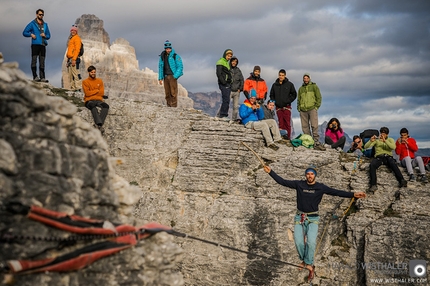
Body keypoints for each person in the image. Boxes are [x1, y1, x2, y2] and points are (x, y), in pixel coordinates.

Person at [264, 164, 366, 281]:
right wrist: (270, 172)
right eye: (308, 174)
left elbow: (336, 192)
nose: (310, 176)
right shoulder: (299, 184)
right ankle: (304, 260)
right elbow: (282, 181)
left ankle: (309, 264)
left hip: (313, 218)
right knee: (298, 242)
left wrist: (353, 194)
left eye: (312, 174)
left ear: (315, 175)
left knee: (311, 242)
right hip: (300, 217)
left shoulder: (320, 187)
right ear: (305, 175)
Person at [364, 127, 407, 193]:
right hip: (379, 157)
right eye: (382, 133)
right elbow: (366, 147)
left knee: (393, 164)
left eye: (384, 134)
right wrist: (370, 141)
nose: (382, 135)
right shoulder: (377, 140)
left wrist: (385, 141)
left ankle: (401, 180)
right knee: (372, 165)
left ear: (387, 134)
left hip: (388, 156)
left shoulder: (390, 139)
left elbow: (393, 147)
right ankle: (373, 185)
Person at [297, 73, 325, 151]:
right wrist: (299, 108)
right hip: (303, 110)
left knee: (314, 125)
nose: (305, 79)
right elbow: (298, 99)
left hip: (312, 109)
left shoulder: (314, 87)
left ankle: (316, 142)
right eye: (304, 78)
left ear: (309, 79)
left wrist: (316, 107)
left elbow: (319, 97)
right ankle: (309, 142)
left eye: (307, 78)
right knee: (305, 127)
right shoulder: (300, 89)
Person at [22, 9, 51, 82]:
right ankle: (35, 76)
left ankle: (42, 77)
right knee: (34, 60)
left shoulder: (45, 25)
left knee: (42, 61)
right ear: (36, 15)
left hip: (43, 44)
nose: (41, 16)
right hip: (35, 44)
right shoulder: (32, 24)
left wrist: (45, 36)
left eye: (42, 15)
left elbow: (49, 35)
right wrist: (31, 34)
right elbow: (24, 32)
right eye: (40, 14)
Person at [269, 69, 297, 140]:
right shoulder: (274, 85)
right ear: (278, 75)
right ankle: (282, 137)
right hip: (278, 107)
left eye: (282, 75)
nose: (281, 77)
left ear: (285, 76)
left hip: (286, 107)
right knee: (280, 123)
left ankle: (288, 138)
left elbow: (294, 94)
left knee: (287, 123)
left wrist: (288, 101)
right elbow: (271, 95)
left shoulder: (289, 84)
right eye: (280, 75)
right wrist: (274, 102)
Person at [82, 66, 109, 133]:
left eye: (94, 72)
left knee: (106, 106)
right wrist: (96, 90)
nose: (93, 73)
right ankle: (99, 124)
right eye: (92, 72)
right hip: (89, 100)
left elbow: (101, 93)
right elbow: (87, 93)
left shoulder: (99, 81)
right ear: (89, 72)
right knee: (92, 106)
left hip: (98, 100)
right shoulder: (85, 82)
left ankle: (98, 125)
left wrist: (93, 92)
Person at [158, 40, 184, 107]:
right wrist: (160, 78)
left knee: (173, 93)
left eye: (169, 48)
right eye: (167, 49)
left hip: (172, 76)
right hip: (165, 77)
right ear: (165, 49)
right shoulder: (162, 56)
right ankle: (169, 107)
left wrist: (175, 76)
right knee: (167, 93)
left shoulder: (176, 56)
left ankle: (174, 107)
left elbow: (180, 66)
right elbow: (160, 67)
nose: (168, 50)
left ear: (171, 48)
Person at [216, 49, 233, 120]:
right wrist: (224, 82)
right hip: (224, 84)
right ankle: (223, 115)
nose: (229, 58)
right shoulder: (221, 62)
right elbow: (219, 73)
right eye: (228, 56)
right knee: (225, 99)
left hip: (228, 84)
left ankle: (224, 114)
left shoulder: (226, 63)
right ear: (225, 55)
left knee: (227, 99)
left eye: (230, 56)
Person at [66, 25, 82, 92]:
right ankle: (73, 88)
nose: (73, 31)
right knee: (70, 75)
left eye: (74, 30)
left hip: (74, 59)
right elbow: (69, 51)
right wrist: (67, 61)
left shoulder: (77, 38)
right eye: (72, 30)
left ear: (76, 31)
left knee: (76, 74)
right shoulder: (71, 39)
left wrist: (74, 59)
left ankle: (78, 88)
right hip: (70, 59)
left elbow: (77, 50)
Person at [229, 56, 244, 122]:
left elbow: (242, 80)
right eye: (233, 61)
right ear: (231, 61)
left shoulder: (238, 71)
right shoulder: (228, 68)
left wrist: (240, 89)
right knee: (225, 104)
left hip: (236, 91)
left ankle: (234, 119)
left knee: (235, 107)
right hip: (229, 90)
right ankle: (221, 116)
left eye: (235, 62)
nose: (234, 63)